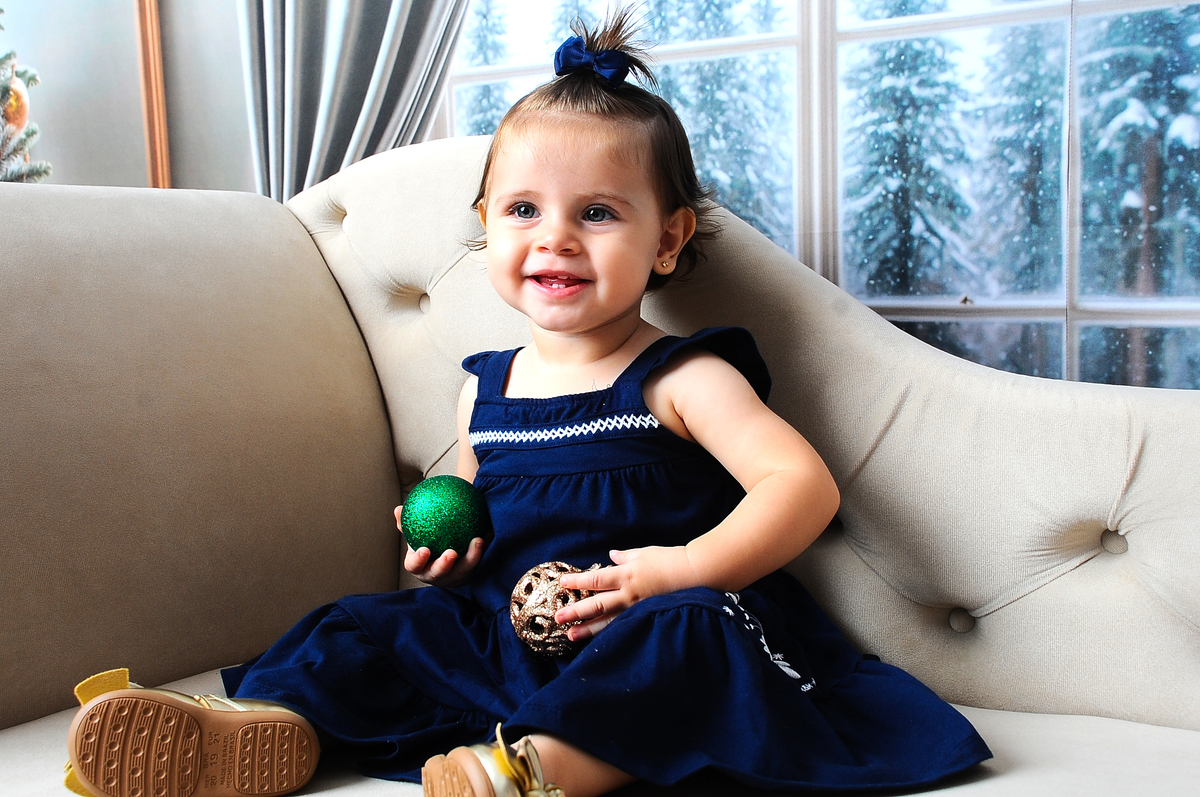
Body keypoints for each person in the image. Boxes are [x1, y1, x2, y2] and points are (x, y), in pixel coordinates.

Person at [64, 10, 991, 797]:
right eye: (523, 211)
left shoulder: (680, 377)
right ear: (485, 226)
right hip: (507, 636)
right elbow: (470, 505)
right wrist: (441, 544)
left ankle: (533, 769)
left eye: (598, 213)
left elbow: (801, 486)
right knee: (362, 622)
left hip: (642, 625)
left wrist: (679, 571)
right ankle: (268, 727)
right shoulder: (487, 386)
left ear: (667, 240)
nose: (556, 238)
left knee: (689, 637)